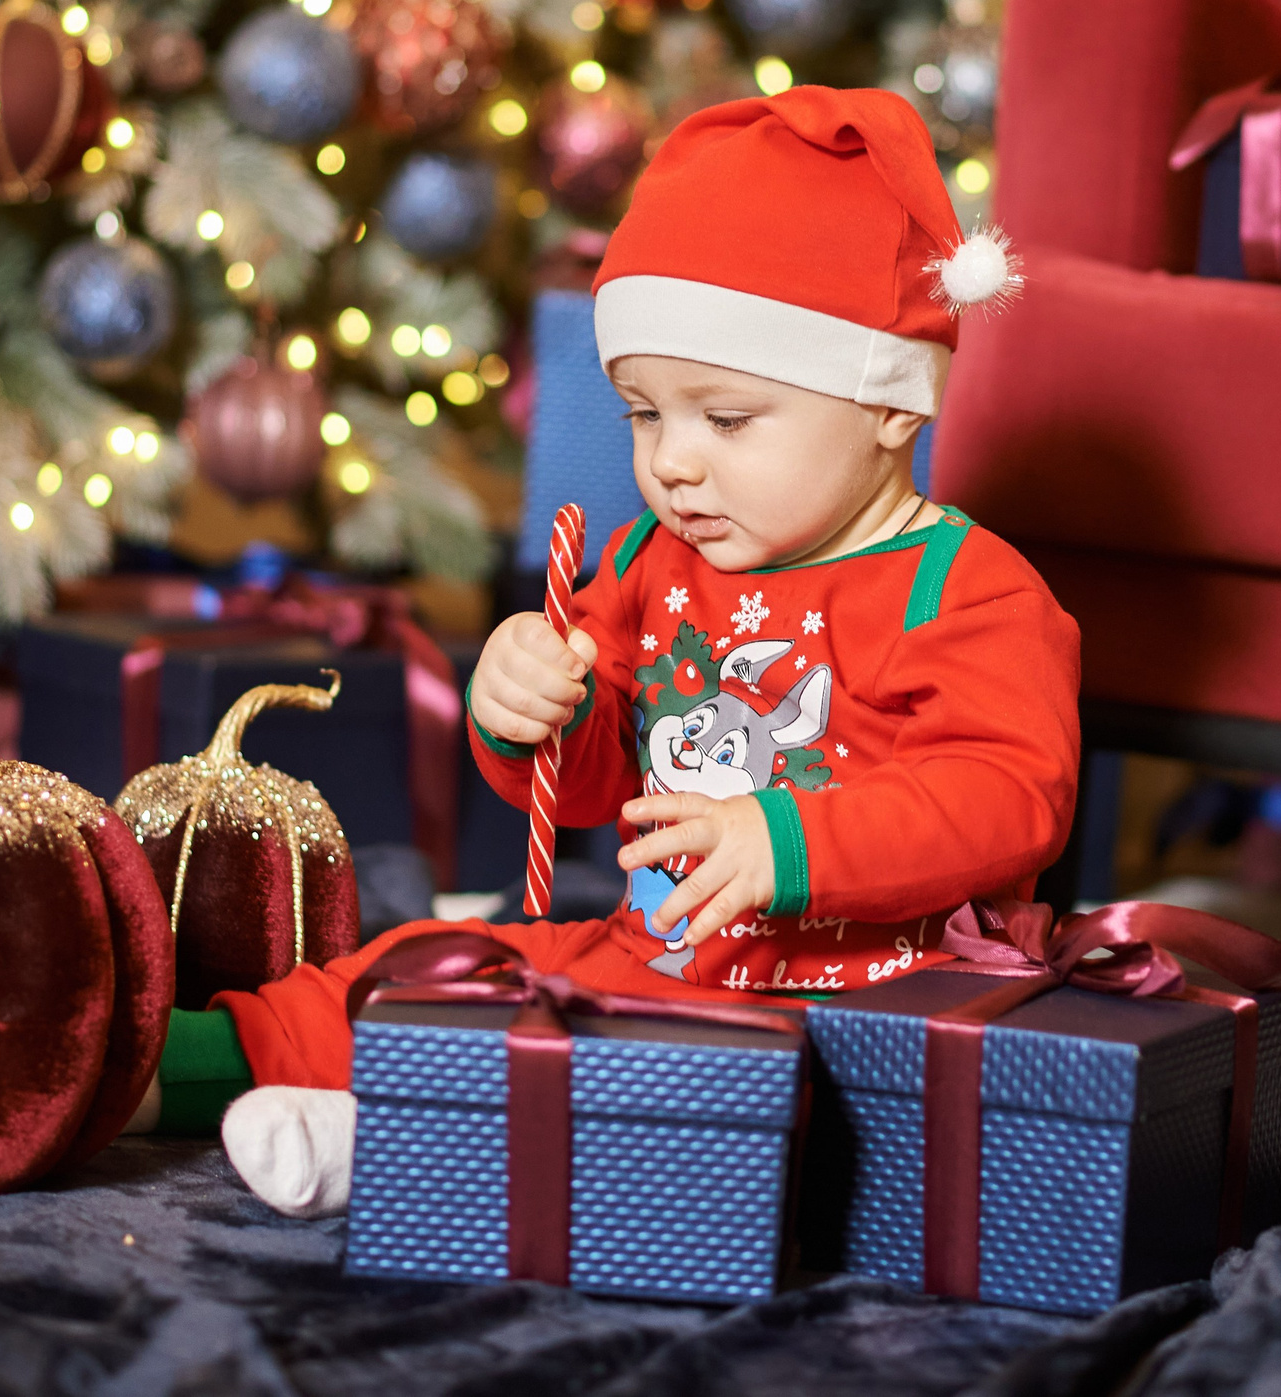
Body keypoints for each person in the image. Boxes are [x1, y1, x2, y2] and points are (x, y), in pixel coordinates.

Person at [136, 85, 1083, 1218]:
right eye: (644, 413)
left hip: (853, 1001)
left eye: (723, 418)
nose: (673, 461)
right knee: (434, 962)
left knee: (696, 1106)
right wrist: (527, 704)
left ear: (887, 402)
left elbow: (1008, 794)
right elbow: (589, 787)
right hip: (661, 956)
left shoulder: (965, 589)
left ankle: (402, 1145)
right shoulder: (648, 558)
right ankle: (140, 1073)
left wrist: (786, 839)